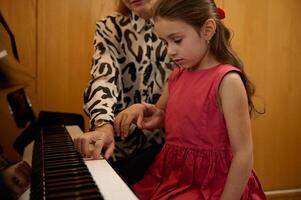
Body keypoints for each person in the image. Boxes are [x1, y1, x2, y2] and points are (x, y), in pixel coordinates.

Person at [114, 0, 267, 199]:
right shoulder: (177, 75)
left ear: (208, 30)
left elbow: (243, 154)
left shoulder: (227, 81)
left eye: (177, 40)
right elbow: (162, 114)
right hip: (173, 176)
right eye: (165, 42)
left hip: (212, 184)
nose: (170, 51)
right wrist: (142, 110)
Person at [74, 0, 172, 185]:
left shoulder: (184, 24)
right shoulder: (110, 26)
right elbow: (104, 77)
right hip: (120, 150)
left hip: (169, 149)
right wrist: (103, 124)